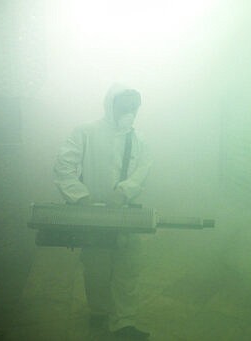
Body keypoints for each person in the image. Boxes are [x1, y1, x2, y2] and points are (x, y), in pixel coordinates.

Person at [53, 84, 152, 340]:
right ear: (110, 104)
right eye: (125, 105)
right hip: (91, 216)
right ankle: (98, 312)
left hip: (125, 216)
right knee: (96, 267)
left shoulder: (139, 140)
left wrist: (125, 191)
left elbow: (143, 170)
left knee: (128, 268)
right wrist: (81, 198)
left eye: (135, 106)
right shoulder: (86, 132)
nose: (131, 111)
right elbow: (64, 166)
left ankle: (124, 322)